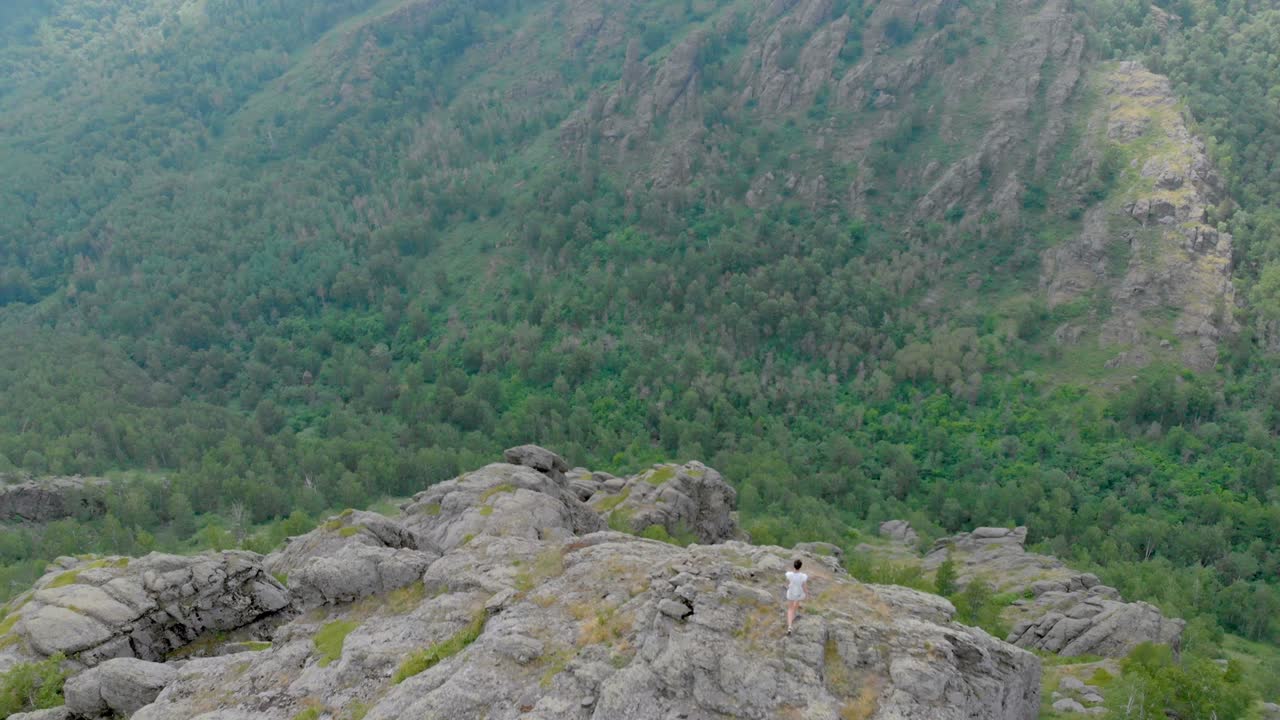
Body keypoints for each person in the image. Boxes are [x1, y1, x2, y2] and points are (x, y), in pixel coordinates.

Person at [784, 558, 808, 635]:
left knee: (790, 609)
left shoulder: (789, 575)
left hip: (791, 592)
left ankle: (790, 626)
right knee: (796, 604)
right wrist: (807, 594)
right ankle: (793, 616)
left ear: (794, 566)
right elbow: (804, 587)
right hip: (799, 593)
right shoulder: (803, 576)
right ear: (800, 567)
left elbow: (787, 584)